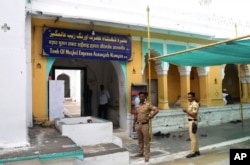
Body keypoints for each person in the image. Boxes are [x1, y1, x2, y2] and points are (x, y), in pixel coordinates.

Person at [133, 91, 159, 162]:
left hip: (145, 125)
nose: (141, 98)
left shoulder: (148, 105)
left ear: (145, 97)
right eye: (140, 96)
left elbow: (156, 110)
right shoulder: (137, 106)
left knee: (146, 141)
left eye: (142, 96)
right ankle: (140, 152)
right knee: (140, 140)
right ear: (139, 97)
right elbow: (136, 115)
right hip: (138, 124)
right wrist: (133, 125)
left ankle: (147, 155)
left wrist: (150, 116)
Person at [182, 92, 200, 158]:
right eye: (188, 97)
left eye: (190, 97)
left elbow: (194, 114)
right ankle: (197, 150)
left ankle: (193, 152)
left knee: (192, 138)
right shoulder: (191, 104)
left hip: (192, 122)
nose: (188, 98)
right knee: (195, 137)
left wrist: (186, 111)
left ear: (193, 97)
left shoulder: (195, 104)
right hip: (192, 121)